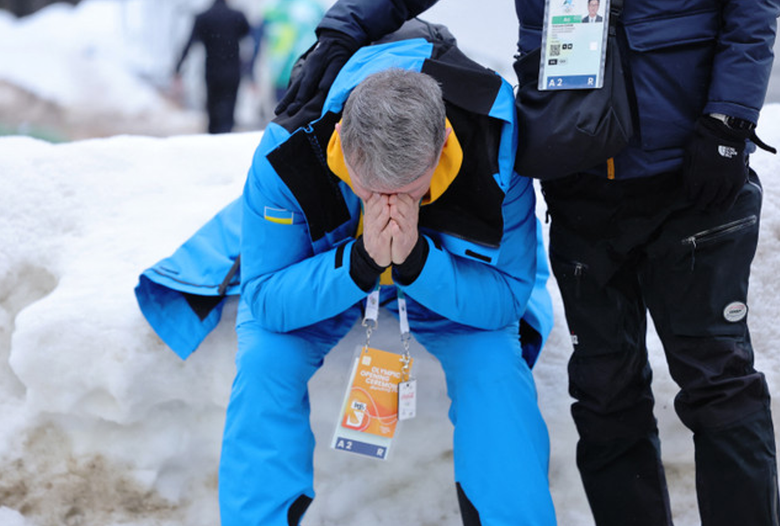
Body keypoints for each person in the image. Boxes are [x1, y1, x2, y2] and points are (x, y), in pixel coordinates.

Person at [275, 1, 780, 526]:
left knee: (718, 381)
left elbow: (751, 8)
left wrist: (729, 118)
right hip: (579, 171)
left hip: (691, 168)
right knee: (606, 391)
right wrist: (344, 27)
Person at [136, 21, 556, 526]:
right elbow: (266, 296)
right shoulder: (286, 153)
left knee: (495, 370)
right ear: (340, 142)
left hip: (443, 271)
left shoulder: (496, 149)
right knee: (265, 362)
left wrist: (418, 261)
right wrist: (360, 263)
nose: (386, 206)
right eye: (369, 188)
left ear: (442, 144)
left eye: (406, 191)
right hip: (327, 258)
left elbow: (508, 297)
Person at [173, 0, 250, 134]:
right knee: (229, 109)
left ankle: (214, 137)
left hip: (212, 71)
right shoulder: (237, 16)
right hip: (233, 71)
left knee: (213, 109)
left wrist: (178, 69)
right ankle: (226, 135)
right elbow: (248, 36)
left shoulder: (204, 17)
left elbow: (190, 44)